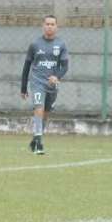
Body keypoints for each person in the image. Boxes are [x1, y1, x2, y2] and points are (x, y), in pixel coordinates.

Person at [20, 15, 69, 155]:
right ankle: (39, 143)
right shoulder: (35, 44)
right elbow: (27, 65)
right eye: (47, 24)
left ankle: (35, 139)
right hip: (37, 82)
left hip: (52, 85)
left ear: (56, 27)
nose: (49, 26)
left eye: (52, 24)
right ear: (43, 26)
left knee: (45, 114)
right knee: (38, 108)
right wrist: (23, 87)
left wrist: (57, 76)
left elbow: (65, 67)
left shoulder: (61, 45)